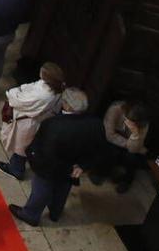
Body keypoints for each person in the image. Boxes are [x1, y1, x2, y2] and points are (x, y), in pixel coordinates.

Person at [13, 87, 113, 226]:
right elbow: (100, 149)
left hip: (51, 168)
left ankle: (30, 215)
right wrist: (82, 166)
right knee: (62, 190)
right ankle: (55, 213)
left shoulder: (53, 124)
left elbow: (44, 151)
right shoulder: (96, 124)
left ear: (67, 105)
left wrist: (31, 155)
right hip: (74, 168)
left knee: (41, 190)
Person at [0, 61, 67, 179]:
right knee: (25, 145)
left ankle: (16, 169)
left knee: (21, 146)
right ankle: (17, 165)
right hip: (40, 120)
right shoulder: (58, 89)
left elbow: (20, 101)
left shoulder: (44, 95)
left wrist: (14, 92)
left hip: (29, 122)